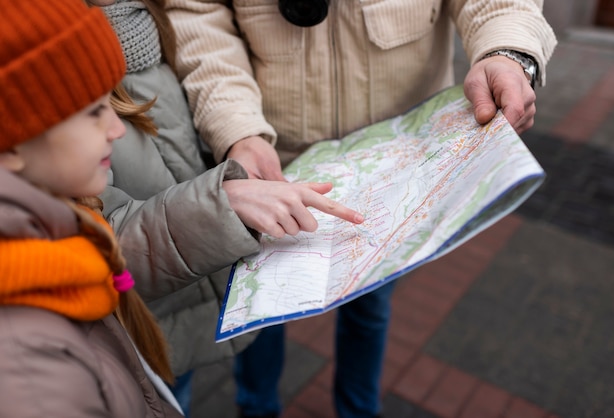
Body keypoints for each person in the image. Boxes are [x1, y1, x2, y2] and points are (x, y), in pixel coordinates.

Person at [164, 0, 558, 417]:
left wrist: (508, 52)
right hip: (276, 169)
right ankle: (258, 407)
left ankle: (357, 410)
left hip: (396, 168)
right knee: (261, 315)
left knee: (369, 305)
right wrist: (237, 129)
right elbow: (197, 15)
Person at [85, 0, 364, 415]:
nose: (112, 128)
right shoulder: (47, 53)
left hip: (207, 274)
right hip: (145, 327)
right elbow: (89, 239)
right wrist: (224, 204)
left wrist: (236, 139)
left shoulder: (146, 19)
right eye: (93, 113)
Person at [0, 1, 183, 416]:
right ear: (12, 143)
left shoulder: (63, 228)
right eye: (95, 111)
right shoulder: (31, 377)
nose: (118, 128)